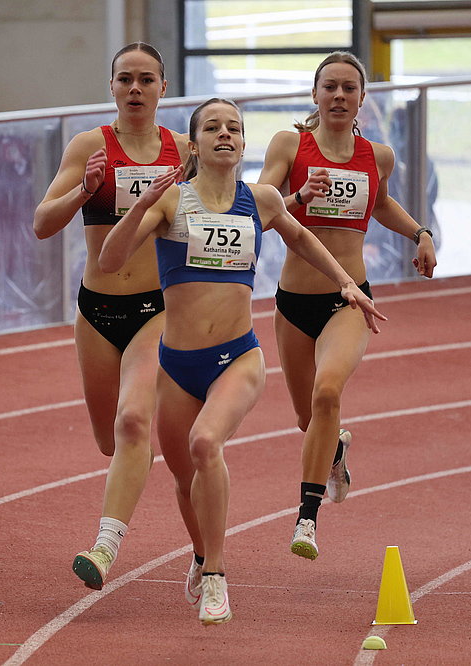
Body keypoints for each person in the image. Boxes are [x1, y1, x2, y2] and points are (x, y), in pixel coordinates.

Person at [99, 98, 386, 624]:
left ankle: (216, 577)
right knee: (185, 480)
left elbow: (302, 240)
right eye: (212, 127)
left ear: (243, 143)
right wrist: (141, 206)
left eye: (233, 127)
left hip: (237, 356)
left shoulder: (262, 200)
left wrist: (347, 285)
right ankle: (202, 554)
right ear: (195, 144)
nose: (224, 134)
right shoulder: (172, 203)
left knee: (205, 443)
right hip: (176, 363)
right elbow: (110, 260)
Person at [257, 52, 437, 561]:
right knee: (306, 416)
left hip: (350, 298)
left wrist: (420, 232)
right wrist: (296, 196)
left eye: (349, 88)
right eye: (330, 87)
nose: (339, 96)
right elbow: (263, 205)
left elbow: (380, 204)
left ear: (361, 97)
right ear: (315, 95)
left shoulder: (377, 155)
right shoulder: (290, 145)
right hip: (293, 302)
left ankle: (306, 520)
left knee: (327, 391)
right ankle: (334, 450)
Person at [32, 43, 189, 591]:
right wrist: (85, 190)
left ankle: (104, 546)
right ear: (113, 87)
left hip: (156, 309)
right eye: (126, 79)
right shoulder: (90, 145)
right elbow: (42, 223)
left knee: (132, 424)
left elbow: (233, 206)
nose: (136, 89)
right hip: (96, 310)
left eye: (147, 80)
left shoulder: (185, 151)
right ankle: (140, 456)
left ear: (163, 88)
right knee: (112, 441)